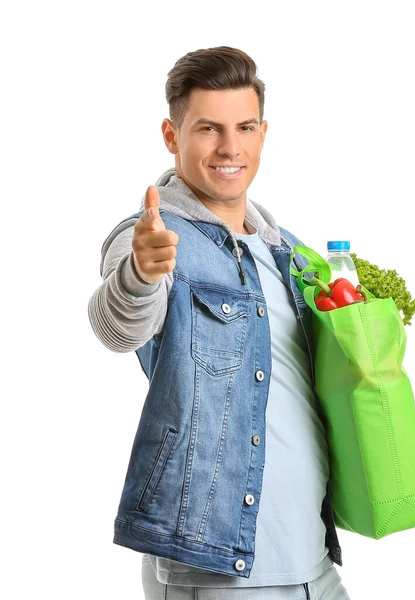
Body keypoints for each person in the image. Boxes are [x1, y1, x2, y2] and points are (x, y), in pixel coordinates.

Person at [88, 46, 351, 600]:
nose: (231, 147)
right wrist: (140, 271)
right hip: (217, 572)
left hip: (313, 564)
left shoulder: (291, 254)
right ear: (171, 134)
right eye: (209, 128)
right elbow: (117, 325)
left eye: (245, 127)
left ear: (262, 133)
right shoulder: (153, 237)